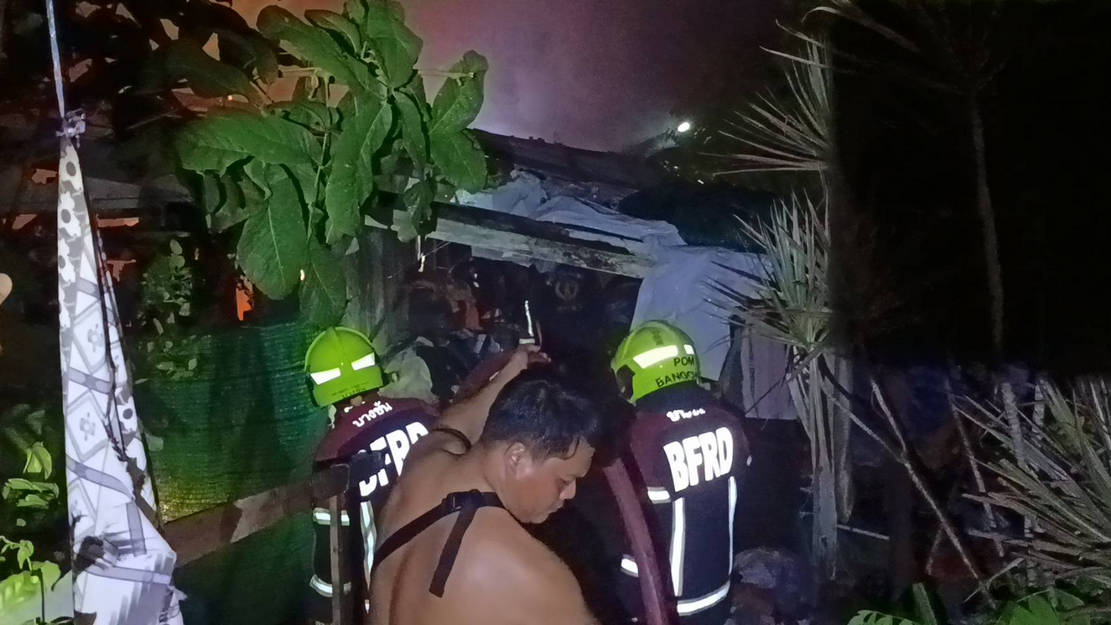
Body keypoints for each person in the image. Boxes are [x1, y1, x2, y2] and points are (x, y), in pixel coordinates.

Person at [369, 349, 605, 625]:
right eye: (563, 481)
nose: (570, 493)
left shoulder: (423, 464)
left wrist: (511, 370)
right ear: (516, 458)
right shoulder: (528, 571)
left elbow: (459, 420)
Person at [610, 321, 751, 625]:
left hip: (661, 603)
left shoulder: (642, 436)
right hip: (717, 592)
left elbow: (632, 526)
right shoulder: (729, 422)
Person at [305, 326, 438, 625]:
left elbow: (332, 564)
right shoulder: (421, 414)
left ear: (317, 388)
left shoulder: (335, 452)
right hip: (453, 581)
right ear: (375, 367)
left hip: (389, 604)